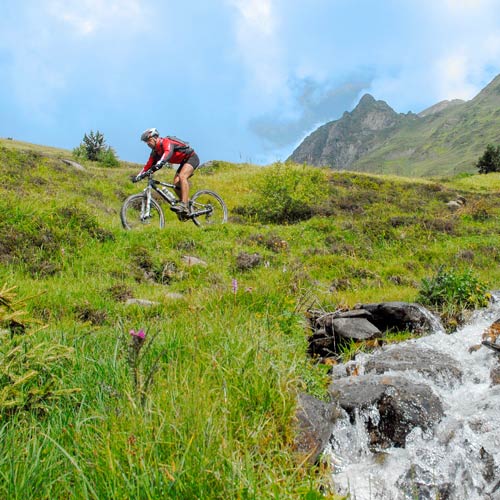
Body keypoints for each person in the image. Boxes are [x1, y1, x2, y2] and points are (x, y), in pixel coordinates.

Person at [134, 128, 200, 216]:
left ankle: (183, 205)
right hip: (183, 162)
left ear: (155, 137)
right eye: (146, 142)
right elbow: (148, 165)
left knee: (182, 176)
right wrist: (139, 176)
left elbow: (167, 153)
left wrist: (159, 164)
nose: (148, 143)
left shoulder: (166, 142)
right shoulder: (155, 152)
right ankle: (187, 205)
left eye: (149, 140)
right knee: (176, 184)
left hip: (191, 158)